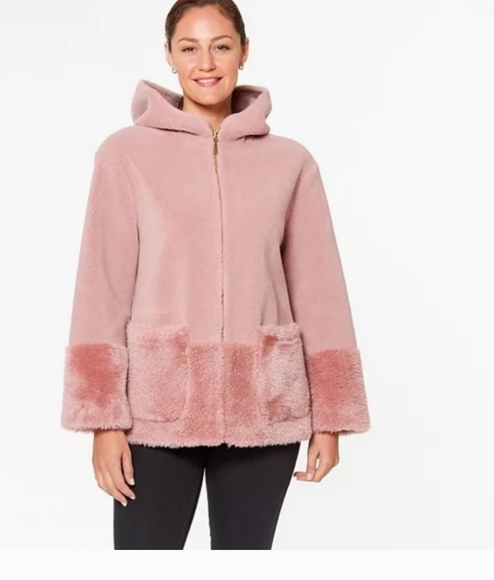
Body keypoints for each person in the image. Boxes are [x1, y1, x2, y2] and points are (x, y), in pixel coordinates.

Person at [60, 0, 371, 550]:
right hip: (155, 411)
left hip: (263, 407)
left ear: (244, 52)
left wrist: (331, 416)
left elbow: (319, 289)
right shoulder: (125, 154)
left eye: (221, 46)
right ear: (169, 56)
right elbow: (101, 287)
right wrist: (103, 420)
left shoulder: (291, 162)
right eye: (189, 48)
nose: (205, 62)